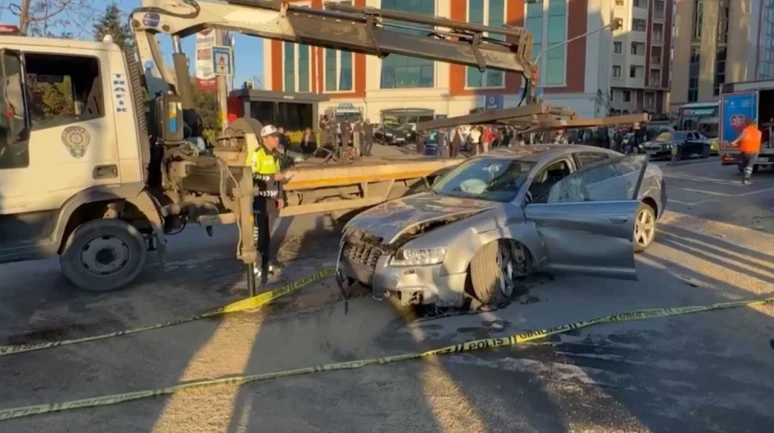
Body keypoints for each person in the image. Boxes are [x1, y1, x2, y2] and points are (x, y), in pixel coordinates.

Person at [249, 125, 288, 278]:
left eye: (277, 136)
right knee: (259, 233)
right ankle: (256, 264)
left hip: (272, 199)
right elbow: (251, 176)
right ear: (265, 139)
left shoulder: (276, 154)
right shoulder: (257, 154)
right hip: (259, 199)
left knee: (268, 233)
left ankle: (266, 262)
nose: (277, 139)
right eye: (273, 137)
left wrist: (280, 197)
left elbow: (279, 180)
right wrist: (271, 177)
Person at [730, 119, 762, 185]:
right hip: (755, 151)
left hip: (746, 151)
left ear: (747, 124)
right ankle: (746, 179)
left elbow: (741, 137)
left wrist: (734, 142)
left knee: (744, 164)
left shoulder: (746, 130)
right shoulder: (759, 132)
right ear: (754, 124)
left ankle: (744, 177)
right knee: (750, 166)